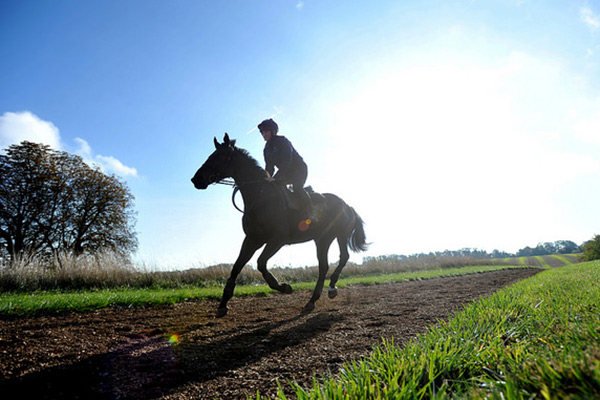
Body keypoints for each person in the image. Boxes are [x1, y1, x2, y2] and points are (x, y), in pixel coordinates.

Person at [258, 118, 313, 218]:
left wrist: (275, 178)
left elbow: (286, 162)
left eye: (266, 131)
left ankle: (311, 212)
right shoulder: (266, 149)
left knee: (296, 187)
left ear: (273, 131)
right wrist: (265, 178)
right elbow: (269, 168)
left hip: (299, 169)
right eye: (262, 132)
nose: (264, 134)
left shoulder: (283, 141)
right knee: (274, 188)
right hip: (286, 172)